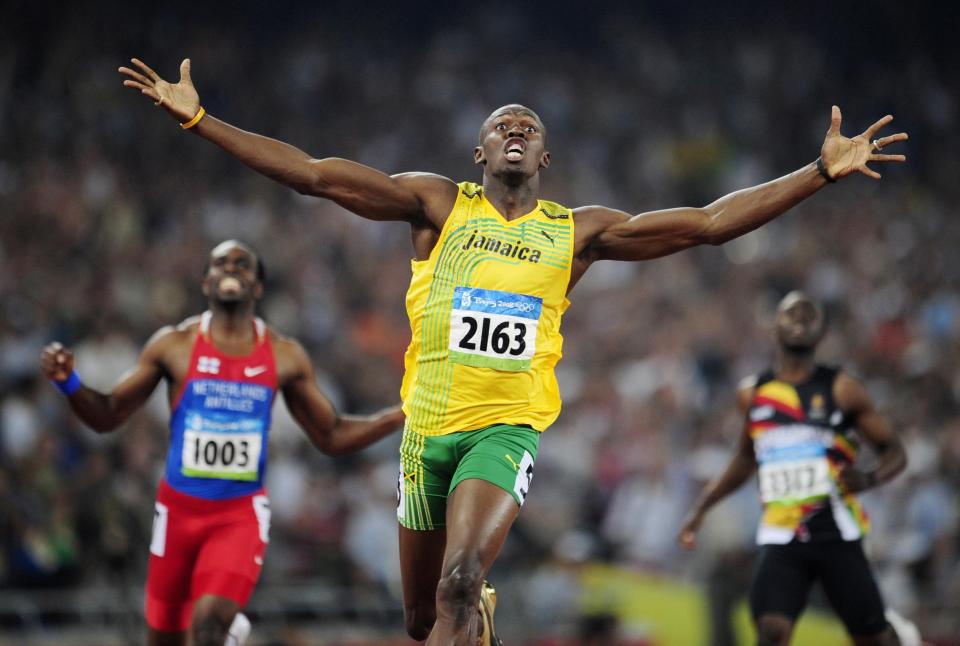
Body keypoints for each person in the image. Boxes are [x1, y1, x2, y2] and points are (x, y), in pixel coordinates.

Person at [118, 57, 908, 646]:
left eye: (531, 125)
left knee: (465, 579)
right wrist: (201, 119)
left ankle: (476, 602)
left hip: (506, 429)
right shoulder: (435, 206)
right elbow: (318, 177)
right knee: (424, 619)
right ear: (479, 152)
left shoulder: (576, 232)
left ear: (547, 159)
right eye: (502, 122)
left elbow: (706, 223)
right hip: (427, 433)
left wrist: (815, 174)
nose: (518, 127)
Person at [40, 240, 404, 646]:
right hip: (177, 514)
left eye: (242, 265)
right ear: (205, 282)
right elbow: (108, 415)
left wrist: (397, 415)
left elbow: (330, 434)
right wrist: (69, 382)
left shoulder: (284, 356)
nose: (231, 269)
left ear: (258, 287)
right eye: (220, 263)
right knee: (164, 639)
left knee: (209, 626)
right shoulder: (174, 346)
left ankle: (223, 632)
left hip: (239, 516)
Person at [678, 291, 909, 646]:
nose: (800, 320)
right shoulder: (753, 394)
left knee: (872, 638)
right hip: (782, 533)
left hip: (835, 532)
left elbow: (894, 451)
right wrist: (702, 507)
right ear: (775, 327)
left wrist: (868, 477)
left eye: (809, 315)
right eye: (791, 313)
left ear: (822, 332)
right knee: (771, 631)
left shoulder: (843, 390)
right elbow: (744, 457)